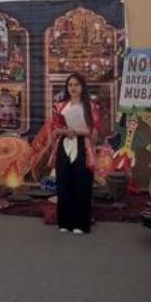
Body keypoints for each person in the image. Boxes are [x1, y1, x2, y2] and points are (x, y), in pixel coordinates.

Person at [49, 72, 101, 234]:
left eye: (76, 85)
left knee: (82, 182)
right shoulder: (60, 106)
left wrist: (77, 131)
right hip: (64, 144)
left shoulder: (91, 107)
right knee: (64, 181)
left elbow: (94, 130)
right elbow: (54, 128)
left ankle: (81, 223)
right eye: (70, 85)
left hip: (83, 145)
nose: (73, 88)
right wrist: (64, 131)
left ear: (82, 87)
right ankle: (65, 222)